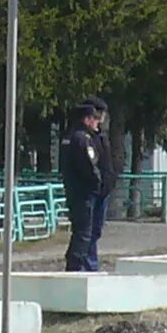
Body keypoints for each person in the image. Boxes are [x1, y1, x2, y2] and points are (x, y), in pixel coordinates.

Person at [58, 98, 113, 272]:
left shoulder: (82, 136)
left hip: (85, 193)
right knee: (84, 233)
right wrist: (98, 186)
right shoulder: (81, 138)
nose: (98, 122)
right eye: (95, 118)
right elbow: (90, 167)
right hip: (85, 194)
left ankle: (86, 266)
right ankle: (77, 268)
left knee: (89, 232)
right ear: (87, 118)